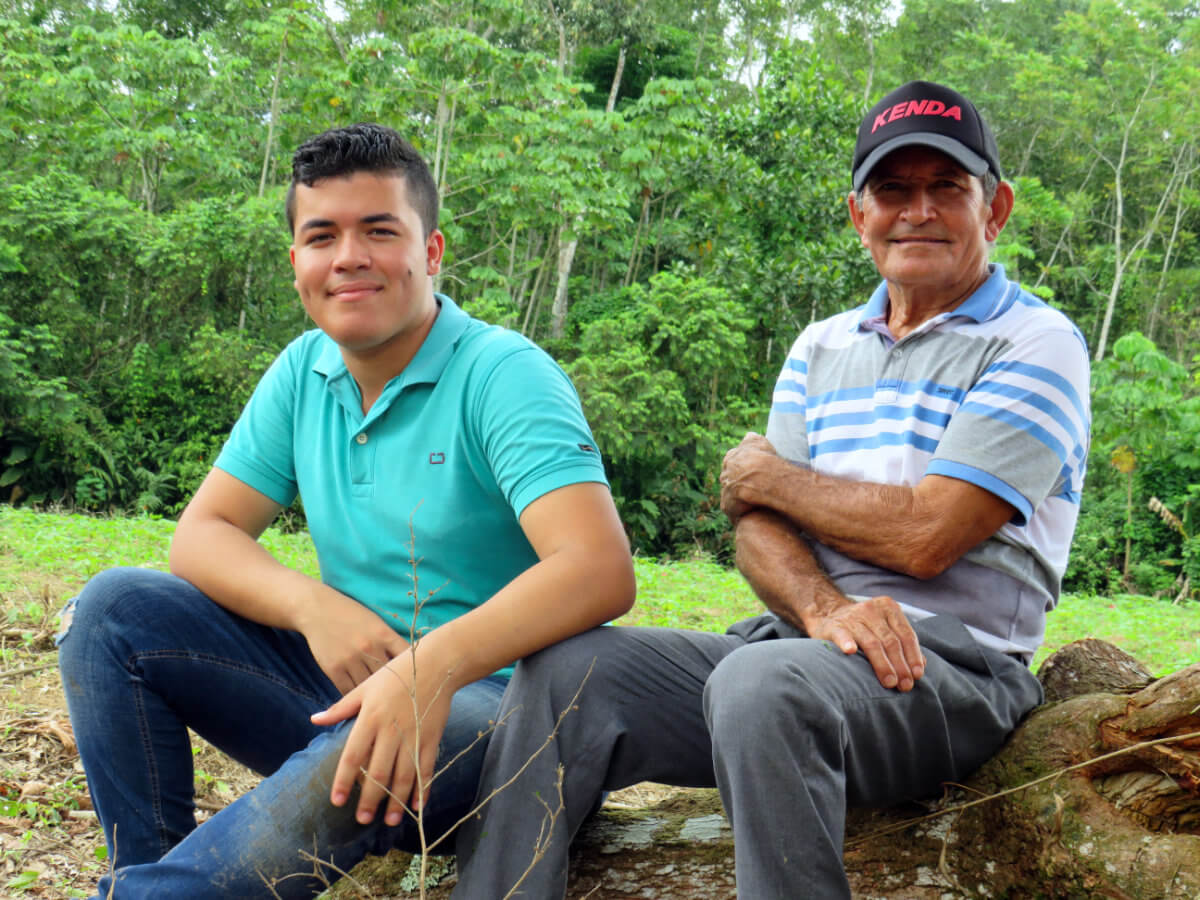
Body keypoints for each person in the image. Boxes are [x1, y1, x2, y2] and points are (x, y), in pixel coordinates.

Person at [451, 80, 1091, 899]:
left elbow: (928, 534)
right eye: (892, 190)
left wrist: (777, 479)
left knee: (763, 686)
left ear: (994, 208)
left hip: (952, 674)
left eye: (947, 189)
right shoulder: (821, 347)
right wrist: (823, 609)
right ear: (859, 215)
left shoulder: (1036, 341)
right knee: (567, 669)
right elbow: (756, 526)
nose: (917, 210)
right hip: (799, 648)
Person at [56, 123, 635, 899]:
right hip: (352, 695)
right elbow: (201, 534)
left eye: (379, 231)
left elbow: (598, 570)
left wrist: (430, 670)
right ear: (297, 260)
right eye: (321, 235)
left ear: (430, 252)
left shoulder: (504, 375)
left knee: (362, 741)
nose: (348, 257)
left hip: (504, 712)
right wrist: (312, 606)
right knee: (111, 612)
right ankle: (146, 878)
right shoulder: (304, 371)